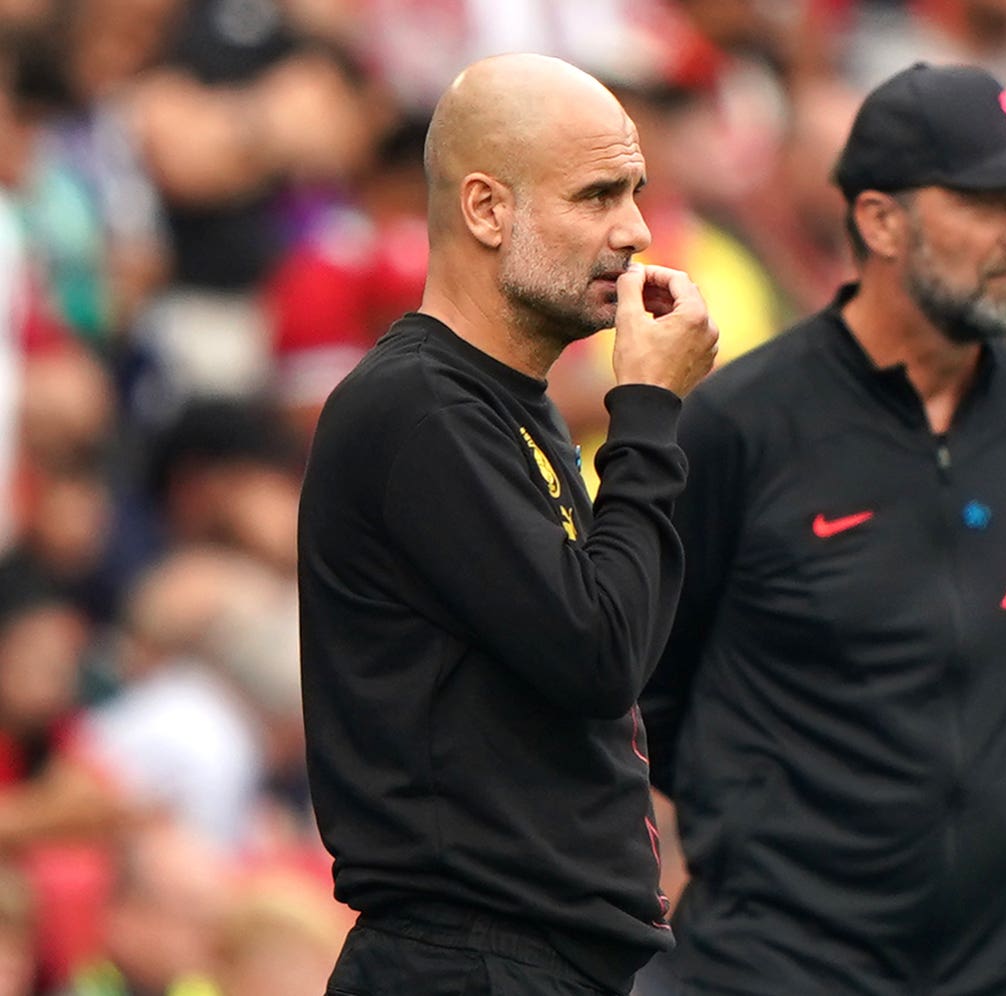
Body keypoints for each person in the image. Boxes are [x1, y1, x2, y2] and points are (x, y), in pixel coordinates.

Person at [640, 62, 1006, 994]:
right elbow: (652, 689)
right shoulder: (741, 425)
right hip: (785, 967)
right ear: (881, 221)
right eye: (985, 203)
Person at [298, 54, 718, 996]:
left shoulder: (499, 406)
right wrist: (646, 410)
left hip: (528, 961)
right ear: (487, 210)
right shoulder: (417, 407)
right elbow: (601, 651)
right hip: (467, 961)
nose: (638, 230)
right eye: (598, 195)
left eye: (636, 192)